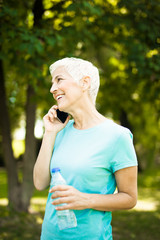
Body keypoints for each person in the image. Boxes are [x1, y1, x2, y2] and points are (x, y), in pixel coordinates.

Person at [33, 57, 138, 240]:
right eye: (52, 83)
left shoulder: (117, 136)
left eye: (59, 80)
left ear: (85, 82)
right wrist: (49, 133)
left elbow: (129, 198)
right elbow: (40, 183)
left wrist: (86, 200)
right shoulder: (59, 131)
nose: (52, 89)